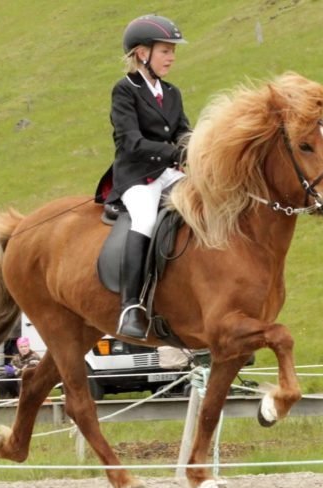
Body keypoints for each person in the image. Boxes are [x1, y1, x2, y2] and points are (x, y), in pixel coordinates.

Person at [102, 14, 191, 340]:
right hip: (138, 178)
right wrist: (173, 154)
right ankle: (130, 307)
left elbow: (183, 132)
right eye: (165, 50)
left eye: (172, 51)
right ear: (143, 53)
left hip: (170, 174)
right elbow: (131, 141)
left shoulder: (172, 92)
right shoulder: (125, 90)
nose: (171, 57)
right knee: (145, 221)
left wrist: (196, 149)